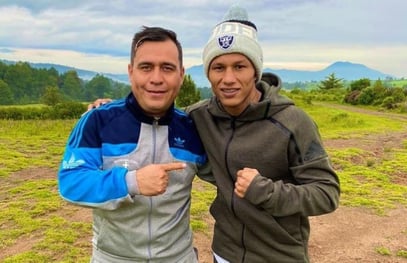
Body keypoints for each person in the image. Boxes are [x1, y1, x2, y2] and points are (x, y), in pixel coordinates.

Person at [89, 5, 340, 262]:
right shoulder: (198, 116)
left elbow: (327, 193)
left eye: (240, 66)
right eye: (218, 68)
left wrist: (266, 191)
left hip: (279, 255)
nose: (228, 78)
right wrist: (111, 111)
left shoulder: (293, 122)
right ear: (208, 73)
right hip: (225, 252)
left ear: (256, 71)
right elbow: (158, 115)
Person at [57, 26, 207, 263]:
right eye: (146, 67)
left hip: (178, 257)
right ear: (131, 72)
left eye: (167, 68)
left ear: (181, 74)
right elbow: (71, 182)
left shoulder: (193, 128)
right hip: (113, 257)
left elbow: (225, 173)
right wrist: (131, 182)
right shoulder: (98, 120)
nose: (156, 78)